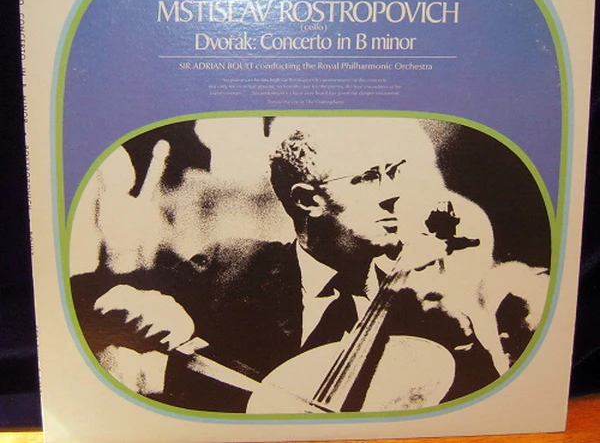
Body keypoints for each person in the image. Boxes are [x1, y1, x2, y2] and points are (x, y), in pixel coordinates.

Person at [72, 117, 549, 413]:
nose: (395, 194)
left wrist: (467, 339)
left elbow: (485, 410)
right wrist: (129, 302)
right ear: (307, 200)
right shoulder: (230, 268)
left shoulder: (424, 302)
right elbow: (83, 299)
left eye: (395, 174)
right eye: (368, 178)